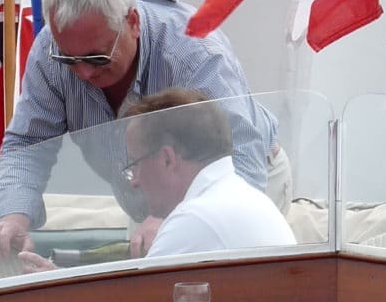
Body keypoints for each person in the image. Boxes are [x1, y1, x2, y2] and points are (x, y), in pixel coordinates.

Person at [0, 0, 289, 259]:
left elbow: (241, 154)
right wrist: (13, 216)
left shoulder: (195, 53)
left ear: (133, 22)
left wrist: (175, 218)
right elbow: (30, 142)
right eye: (68, 59)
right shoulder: (48, 50)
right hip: (149, 199)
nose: (82, 73)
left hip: (240, 181)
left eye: (96, 57)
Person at [123, 89, 294, 260]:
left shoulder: (193, 219)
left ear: (167, 160)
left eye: (135, 164)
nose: (134, 181)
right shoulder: (251, 199)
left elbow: (148, 287)